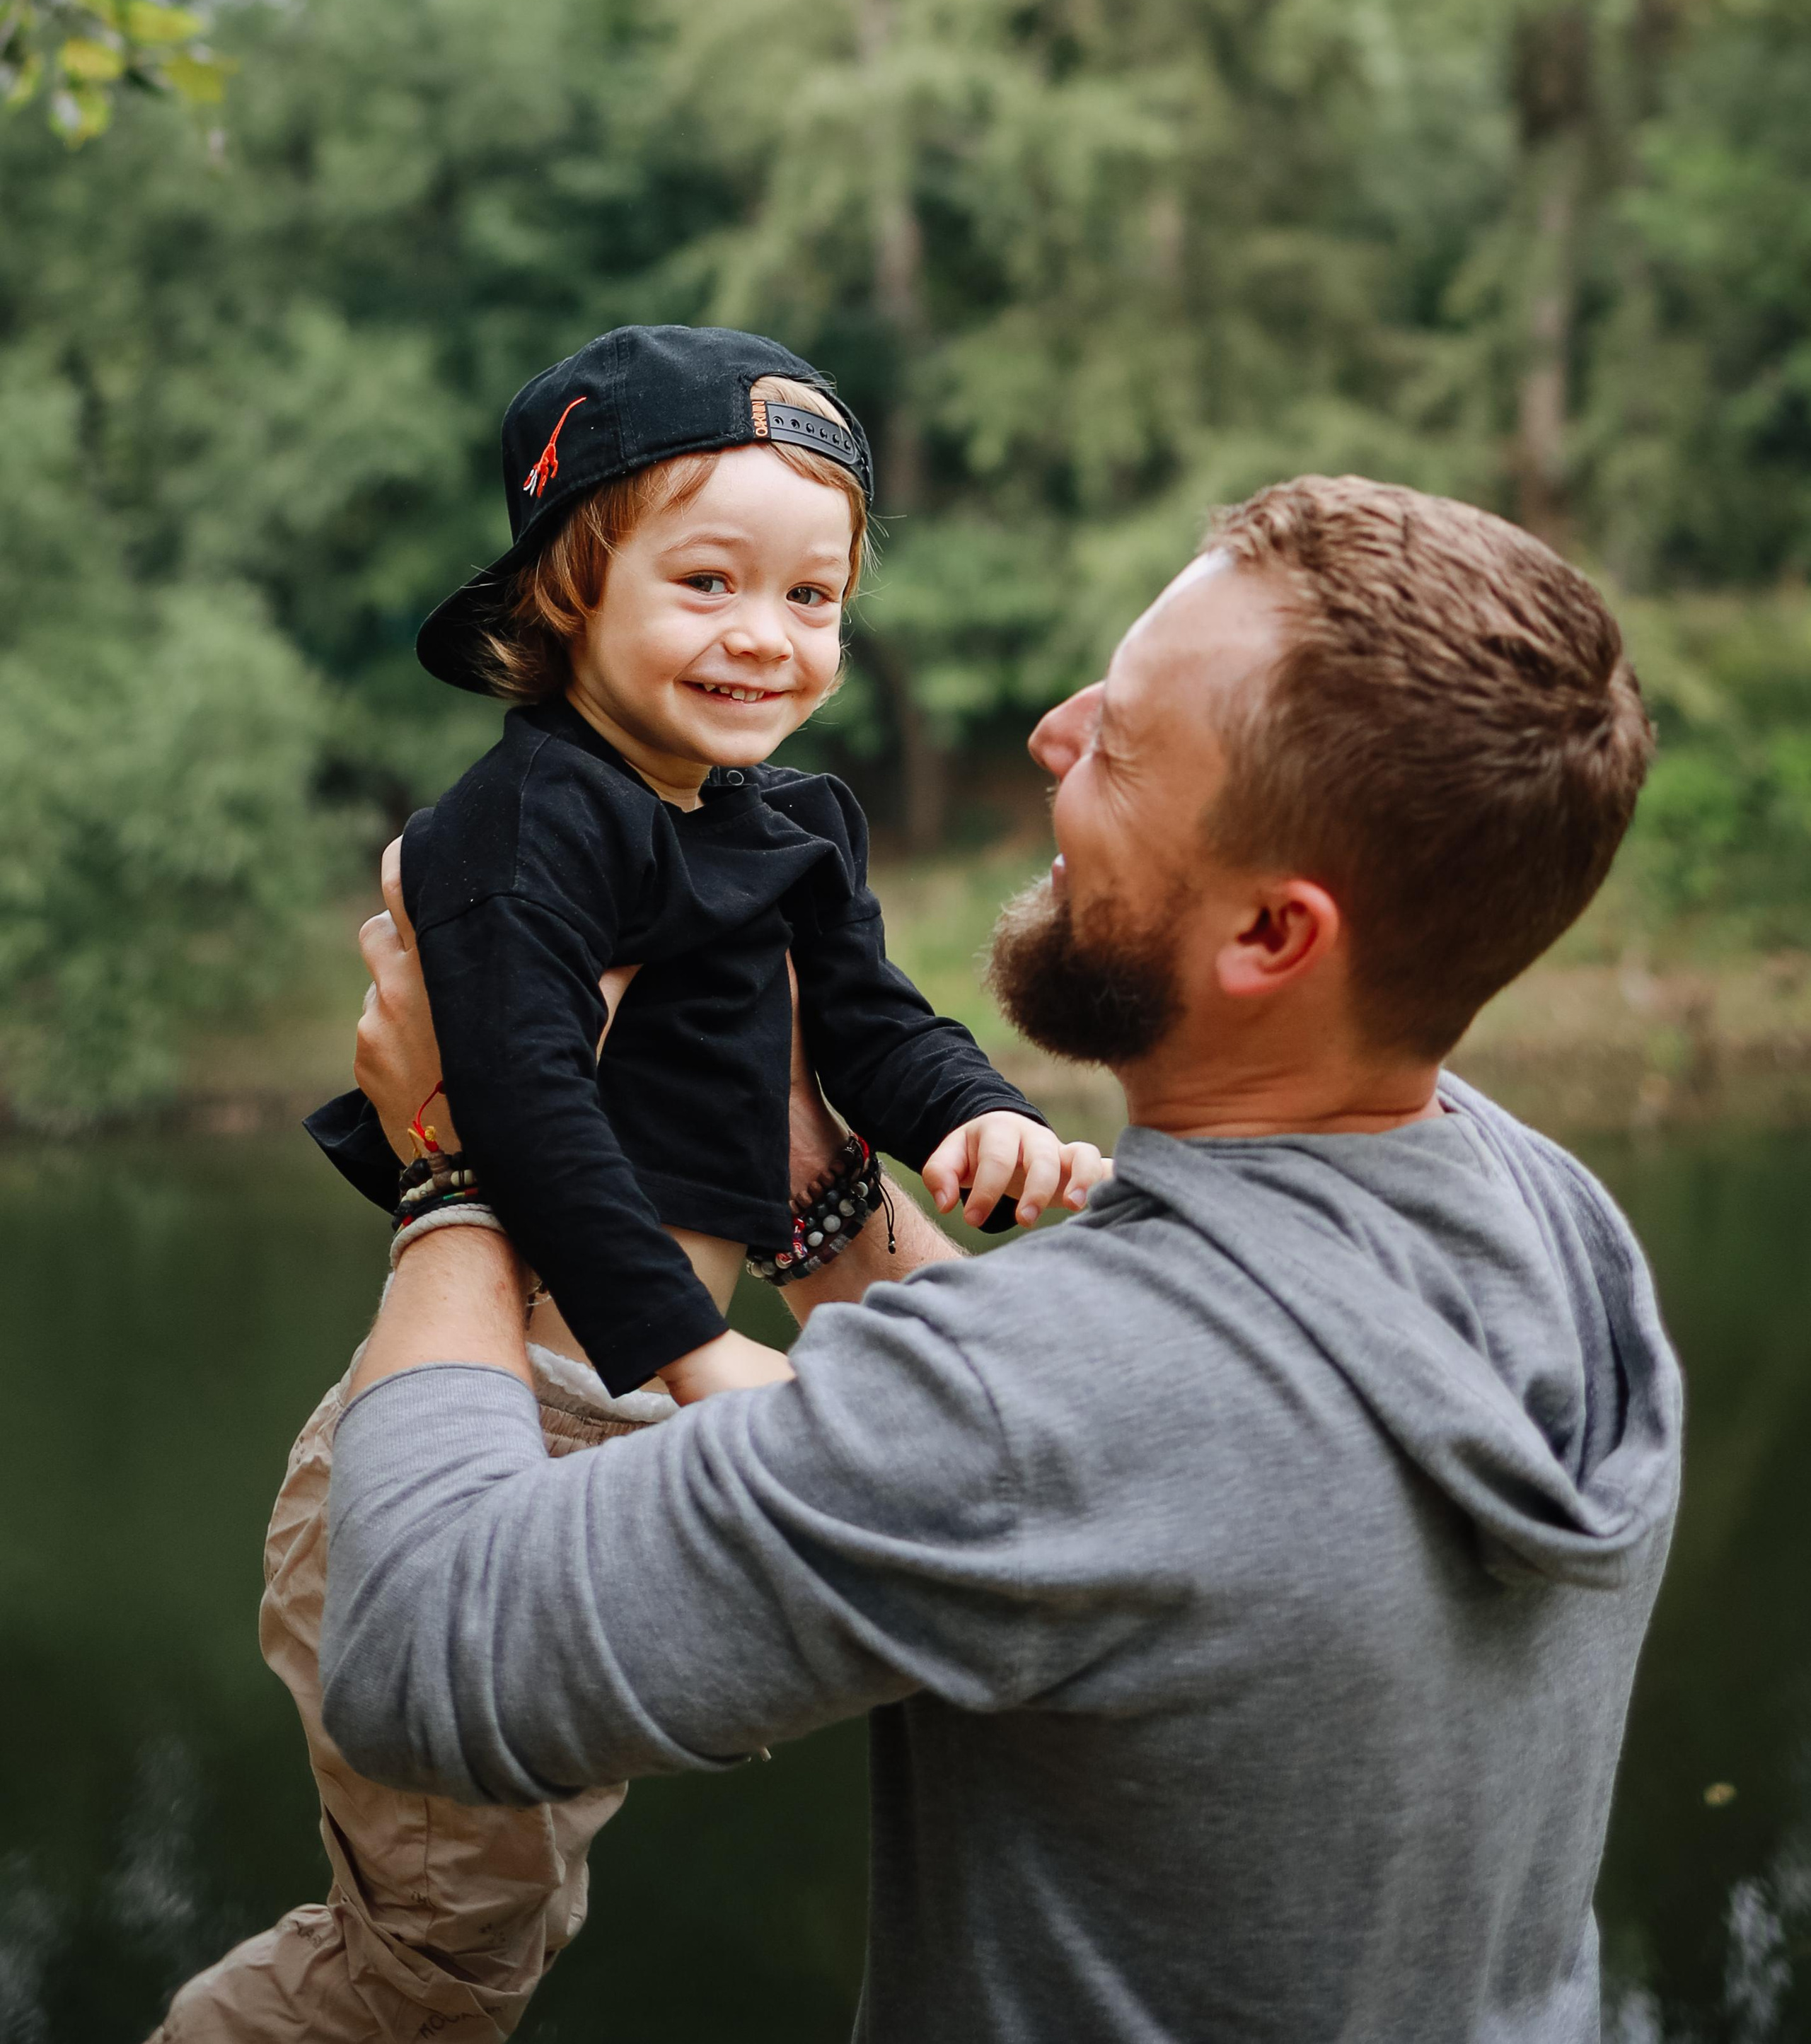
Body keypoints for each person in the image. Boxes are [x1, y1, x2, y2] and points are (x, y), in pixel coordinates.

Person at [328, 475, 1679, 2042]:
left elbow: (413, 1647)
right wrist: (822, 1180)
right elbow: (1068, 1431)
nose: (1047, 727)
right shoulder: (1560, 1226)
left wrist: (451, 1164)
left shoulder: (1041, 1413)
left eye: (1118, 740)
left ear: (1269, 936)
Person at [156, 323, 1104, 2043]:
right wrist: (690, 1346)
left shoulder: (793, 821)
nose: (766, 634)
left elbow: (874, 1028)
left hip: (648, 1424)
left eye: (811, 597)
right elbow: (510, 1103)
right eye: (709, 580)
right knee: (426, 1966)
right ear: (568, 591)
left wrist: (982, 1117)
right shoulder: (523, 826)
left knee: (528, 1910)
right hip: (486, 1431)